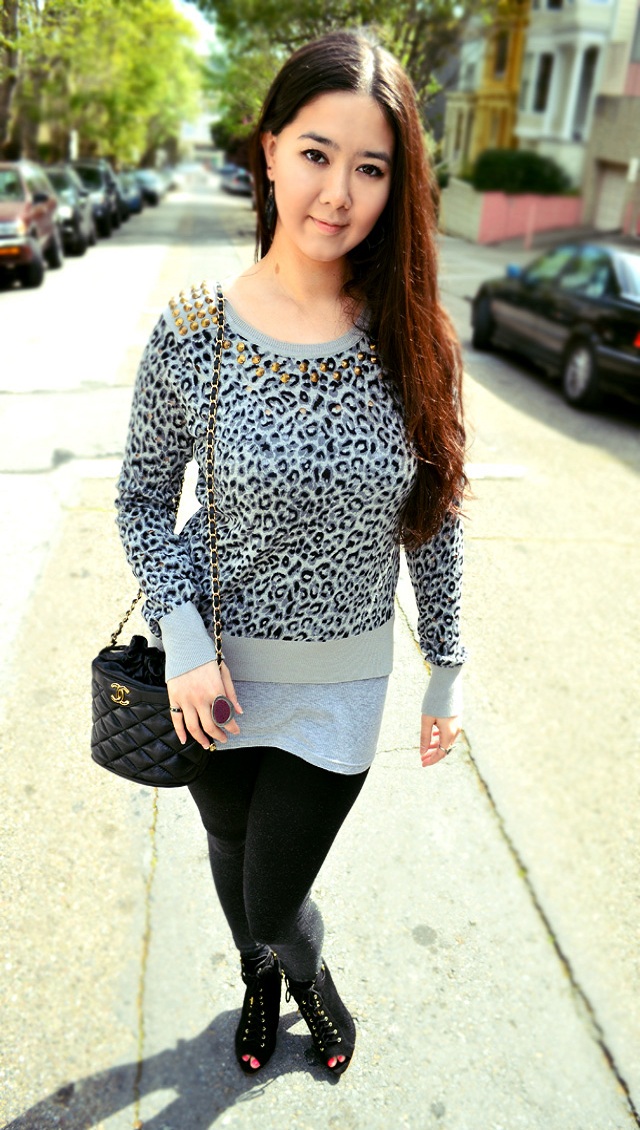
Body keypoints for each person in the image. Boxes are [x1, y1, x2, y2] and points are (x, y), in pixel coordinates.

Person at [115, 28, 467, 1079]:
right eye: (316, 153)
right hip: (212, 681)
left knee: (273, 894)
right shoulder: (193, 332)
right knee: (230, 856)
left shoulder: (412, 337)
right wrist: (183, 639)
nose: (339, 192)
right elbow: (142, 501)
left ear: (397, 184)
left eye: (371, 167)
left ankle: (304, 970)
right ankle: (259, 979)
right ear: (269, 151)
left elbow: (434, 516)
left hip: (340, 689)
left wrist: (445, 666)